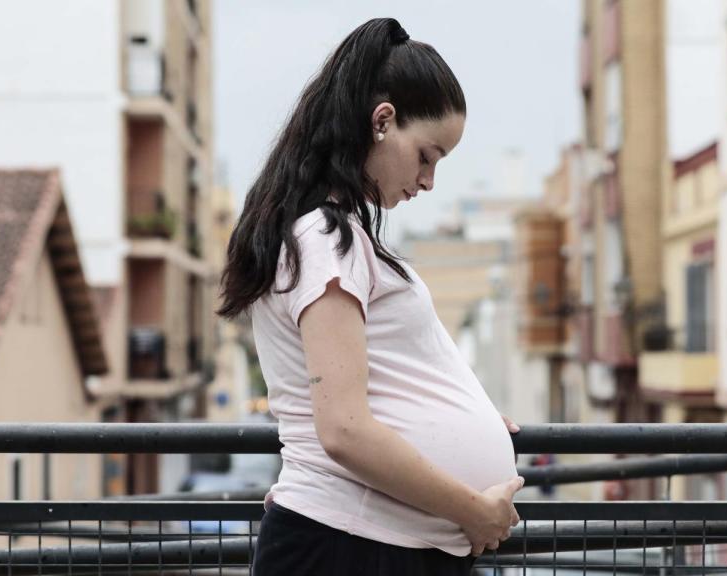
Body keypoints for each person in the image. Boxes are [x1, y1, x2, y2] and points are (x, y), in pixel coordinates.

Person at [218, 17, 524, 576]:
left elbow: (362, 379)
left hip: (366, 544)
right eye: (427, 156)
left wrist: (449, 408)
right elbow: (345, 430)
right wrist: (475, 511)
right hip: (353, 546)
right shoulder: (323, 238)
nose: (428, 181)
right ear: (383, 121)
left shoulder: (328, 235)